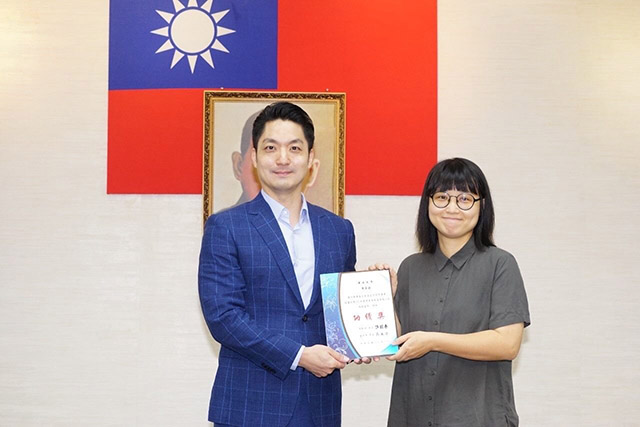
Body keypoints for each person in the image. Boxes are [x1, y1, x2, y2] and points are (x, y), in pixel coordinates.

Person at [199, 101, 357, 427]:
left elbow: (341, 313)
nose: (283, 158)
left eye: (294, 148)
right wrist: (300, 355)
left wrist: (377, 300)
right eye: (271, 147)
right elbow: (224, 318)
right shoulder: (226, 227)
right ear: (255, 157)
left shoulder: (338, 230)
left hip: (319, 406)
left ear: (311, 159)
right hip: (250, 405)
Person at [385, 157, 530, 427]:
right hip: (413, 416)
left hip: (478, 418)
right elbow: (398, 341)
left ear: (482, 206)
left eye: (465, 199)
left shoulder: (500, 264)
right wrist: (383, 300)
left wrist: (434, 341)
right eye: (442, 197)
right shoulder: (410, 267)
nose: (452, 208)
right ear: (428, 203)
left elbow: (507, 344)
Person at [229, 110, 321, 209]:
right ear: (238, 166)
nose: (283, 161)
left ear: (311, 169)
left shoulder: (330, 219)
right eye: (271, 148)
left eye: (294, 148)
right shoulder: (227, 219)